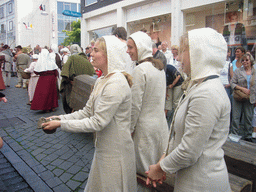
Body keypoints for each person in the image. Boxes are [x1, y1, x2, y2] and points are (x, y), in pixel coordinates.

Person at [42, 36, 137, 192]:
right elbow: (87, 112)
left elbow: (97, 122)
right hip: (103, 149)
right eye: (92, 49)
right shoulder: (102, 80)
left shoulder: (116, 83)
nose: (91, 53)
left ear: (109, 55)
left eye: (96, 50)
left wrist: (61, 124)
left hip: (115, 154)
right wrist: (59, 117)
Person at [146, 28, 231, 192]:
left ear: (200, 53)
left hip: (201, 183)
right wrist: (163, 161)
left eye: (184, 50)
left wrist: (160, 168)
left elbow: (189, 151)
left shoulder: (207, 93)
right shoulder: (200, 86)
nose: (179, 56)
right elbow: (178, 135)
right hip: (192, 179)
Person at [127, 31, 168, 191]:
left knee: (144, 178)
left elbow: (134, 106)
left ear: (140, 47)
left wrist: (128, 130)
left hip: (144, 132)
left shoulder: (140, 70)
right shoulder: (158, 68)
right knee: (156, 175)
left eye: (131, 47)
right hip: (160, 127)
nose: (127, 51)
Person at [60, 44, 95, 114]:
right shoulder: (86, 60)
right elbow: (93, 74)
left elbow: (65, 74)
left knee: (73, 107)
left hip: (72, 87)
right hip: (85, 89)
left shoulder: (72, 58)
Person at [230, 53, 255, 142]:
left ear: (250, 61)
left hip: (250, 98)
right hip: (238, 97)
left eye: (247, 60)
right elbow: (232, 83)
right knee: (236, 117)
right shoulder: (238, 71)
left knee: (248, 117)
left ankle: (248, 136)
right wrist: (242, 89)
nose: (244, 62)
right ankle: (234, 135)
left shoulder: (254, 71)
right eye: (243, 60)